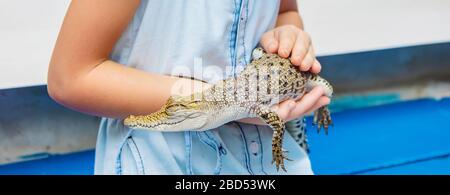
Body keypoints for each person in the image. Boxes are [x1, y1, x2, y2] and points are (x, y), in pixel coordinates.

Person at [47, 0, 330, 175]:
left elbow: (286, 11)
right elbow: (69, 78)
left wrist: (289, 34)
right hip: (166, 161)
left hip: (272, 160)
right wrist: (221, 106)